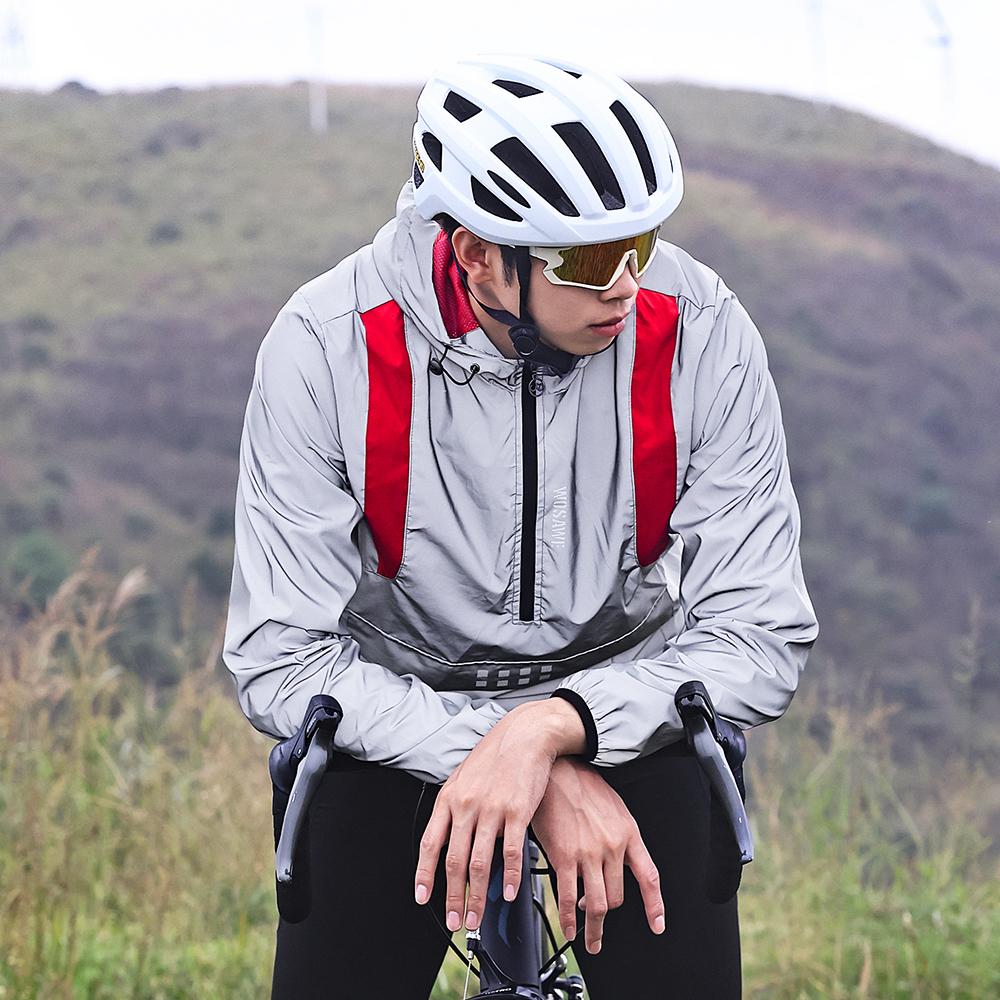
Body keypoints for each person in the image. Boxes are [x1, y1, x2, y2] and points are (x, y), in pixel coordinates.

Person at [223, 54, 819, 999]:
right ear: (475, 255)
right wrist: (515, 763)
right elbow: (280, 659)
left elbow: (758, 632)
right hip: (393, 716)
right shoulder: (326, 346)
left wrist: (555, 731)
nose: (625, 285)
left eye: (641, 244)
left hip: (631, 712)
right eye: (587, 261)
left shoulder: (702, 332)